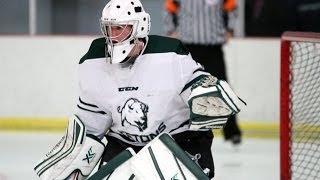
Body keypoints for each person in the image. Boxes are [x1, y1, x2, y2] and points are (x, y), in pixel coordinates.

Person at [33, 0, 244, 179]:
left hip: (180, 141)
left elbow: (198, 86)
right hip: (125, 144)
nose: (112, 35)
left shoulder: (170, 55)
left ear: (138, 27)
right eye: (109, 28)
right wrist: (77, 158)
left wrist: (203, 92)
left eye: (119, 28)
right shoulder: (93, 61)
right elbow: (91, 123)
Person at [164, 0, 242, 144]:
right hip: (189, 47)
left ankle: (232, 131)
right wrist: (171, 30)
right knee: (183, 90)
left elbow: (232, 8)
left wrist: (230, 29)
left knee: (222, 88)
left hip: (213, 47)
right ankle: (179, 129)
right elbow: (170, 8)